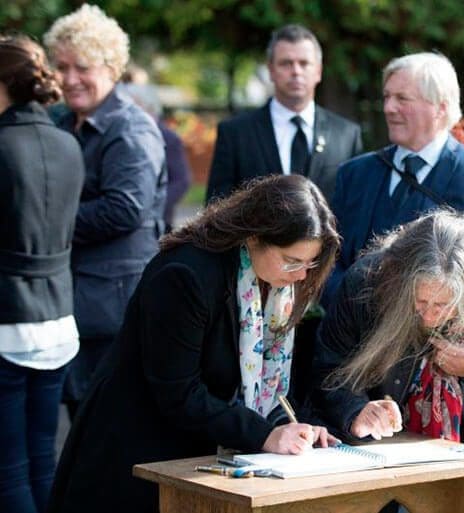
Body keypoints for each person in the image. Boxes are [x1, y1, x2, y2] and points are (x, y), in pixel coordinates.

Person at [47, 174, 340, 513]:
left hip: (194, 453)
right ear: (255, 235)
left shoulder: (276, 286)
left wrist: (287, 427)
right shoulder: (186, 274)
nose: (301, 275)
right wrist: (263, 435)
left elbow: (266, 384)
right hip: (134, 449)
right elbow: (178, 391)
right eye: (292, 261)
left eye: (311, 263)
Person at [313, 210, 464, 511]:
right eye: (420, 302)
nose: (429, 315)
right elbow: (330, 364)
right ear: (401, 280)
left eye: (443, 305)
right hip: (385, 451)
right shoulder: (368, 283)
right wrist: (356, 410)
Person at [43, 4, 167, 419]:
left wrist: (43, 223)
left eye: (83, 66)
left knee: (108, 427)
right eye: (61, 67)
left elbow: (125, 209)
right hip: (74, 297)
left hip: (113, 305)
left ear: (111, 67)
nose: (70, 78)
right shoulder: (62, 121)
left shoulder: (130, 128)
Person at [327, 52, 464, 305]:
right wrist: (348, 304)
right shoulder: (354, 173)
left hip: (439, 340)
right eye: (387, 96)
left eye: (402, 98)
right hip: (352, 336)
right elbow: (330, 261)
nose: (388, 108)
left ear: (441, 107)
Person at [0, 34, 85, 513]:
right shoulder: (67, 144)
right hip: (57, 320)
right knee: (41, 461)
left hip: (8, 321)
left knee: (9, 471)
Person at [206, 23, 363, 203]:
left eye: (304, 63)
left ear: (318, 71)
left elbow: (356, 208)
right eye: (286, 63)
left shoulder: (346, 135)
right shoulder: (235, 133)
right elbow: (215, 209)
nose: (296, 71)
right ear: (271, 70)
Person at [120, 81, 192, 231]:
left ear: (149, 108)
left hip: (157, 224)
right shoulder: (123, 135)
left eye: (133, 107)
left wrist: (151, 208)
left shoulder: (168, 138)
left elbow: (181, 181)